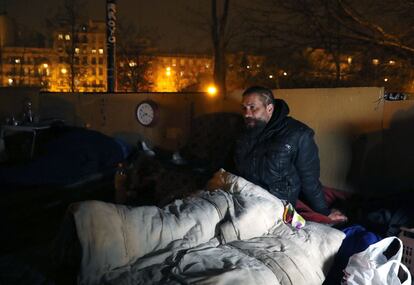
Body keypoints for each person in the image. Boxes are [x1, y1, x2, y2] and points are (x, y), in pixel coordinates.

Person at [232, 86, 347, 223]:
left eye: (252, 107)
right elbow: (231, 166)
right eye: (244, 108)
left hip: (274, 205)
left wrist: (324, 212)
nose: (247, 114)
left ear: (269, 108)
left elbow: (309, 180)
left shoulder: (298, 134)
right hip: (241, 197)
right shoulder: (244, 130)